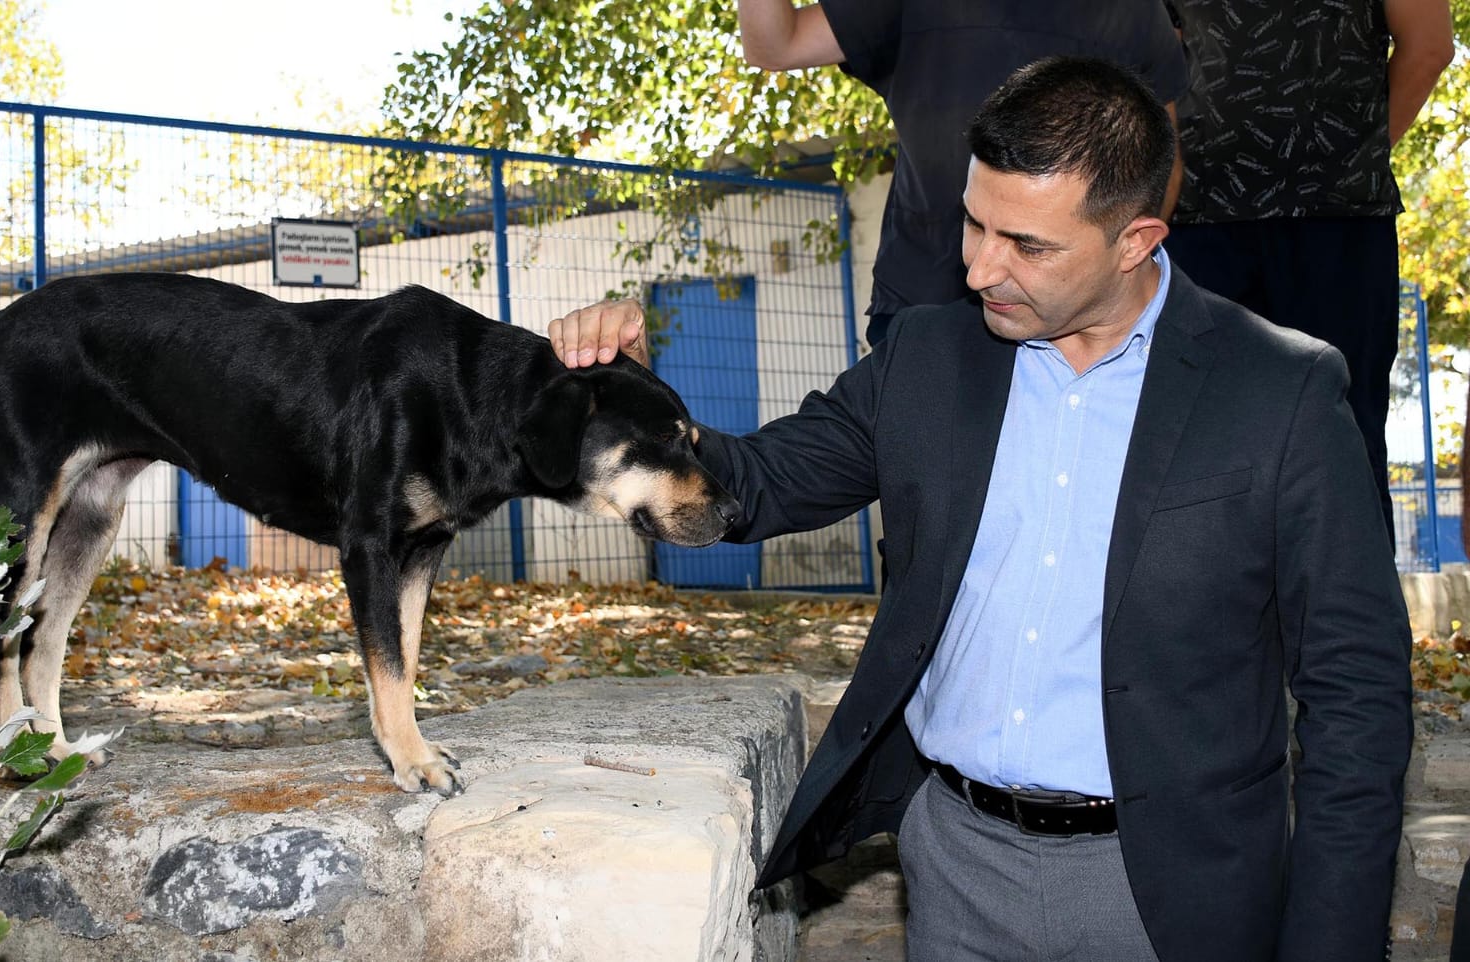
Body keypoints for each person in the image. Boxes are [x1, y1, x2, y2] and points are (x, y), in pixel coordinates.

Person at [551, 57, 1412, 962]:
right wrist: (631, 396)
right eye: (974, 222)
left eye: (1027, 245)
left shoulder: (1279, 390)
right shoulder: (926, 357)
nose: (977, 266)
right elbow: (754, 485)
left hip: (1174, 889)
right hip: (955, 871)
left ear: (1136, 240)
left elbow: (1357, 692)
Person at [1162, 0, 1455, 537]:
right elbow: (1154, 59)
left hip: (1258, 221)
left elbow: (1431, 47)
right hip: (1236, 223)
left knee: (1220, 449)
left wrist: (1351, 161)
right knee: (1332, 441)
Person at [736, 0, 1189, 347]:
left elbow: (1158, 163)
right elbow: (775, 45)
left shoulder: (1130, 10)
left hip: (1073, 322)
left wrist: (1107, 280)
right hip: (928, 303)